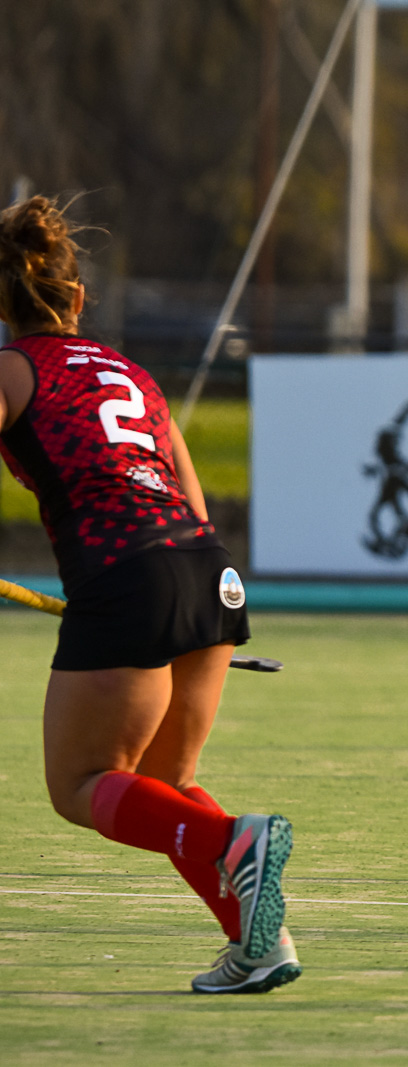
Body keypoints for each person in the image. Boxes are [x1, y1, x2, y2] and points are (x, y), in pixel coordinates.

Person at [0, 196, 298, 994]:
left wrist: (137, 601)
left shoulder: (10, 369)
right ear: (79, 298)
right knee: (163, 785)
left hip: (126, 578)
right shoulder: (132, 371)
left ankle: (239, 844)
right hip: (210, 573)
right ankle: (259, 943)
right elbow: (193, 506)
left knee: (80, 785)